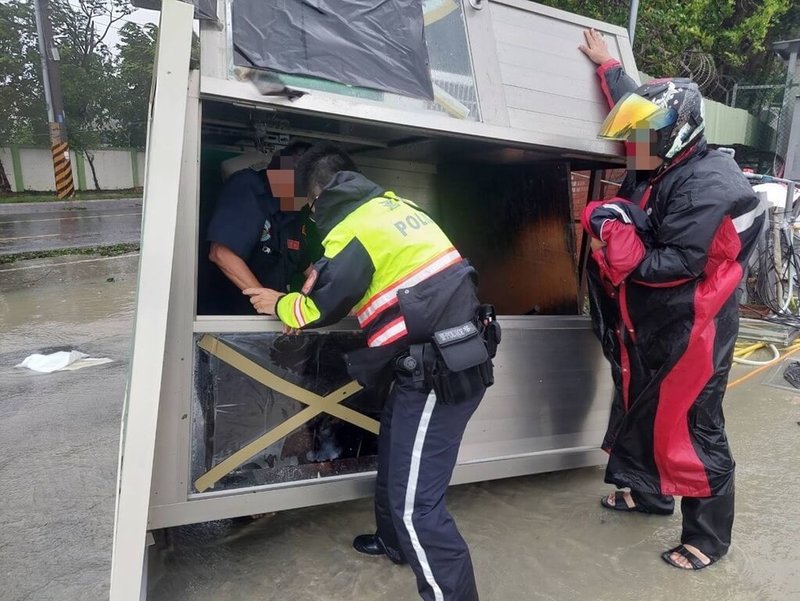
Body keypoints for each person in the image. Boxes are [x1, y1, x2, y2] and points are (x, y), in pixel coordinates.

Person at [244, 143, 498, 601]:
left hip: (437, 375)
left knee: (417, 508)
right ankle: (393, 543)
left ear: (316, 196)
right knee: (394, 462)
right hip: (440, 359)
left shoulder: (352, 227)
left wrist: (276, 302)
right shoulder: (395, 207)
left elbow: (320, 306)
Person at [578, 29, 765, 570]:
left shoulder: (707, 183)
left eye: (642, 137)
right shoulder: (662, 157)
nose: (631, 145)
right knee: (641, 407)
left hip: (693, 326)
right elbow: (644, 107)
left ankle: (707, 539)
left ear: (677, 135)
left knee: (696, 421)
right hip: (647, 325)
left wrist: (609, 234)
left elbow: (670, 266)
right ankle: (650, 493)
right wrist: (608, 67)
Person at [206, 141, 320, 314]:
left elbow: (305, 265)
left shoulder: (293, 210)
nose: (306, 200)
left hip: (271, 323)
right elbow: (221, 254)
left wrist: (336, 298)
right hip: (228, 322)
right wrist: (269, 304)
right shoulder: (248, 187)